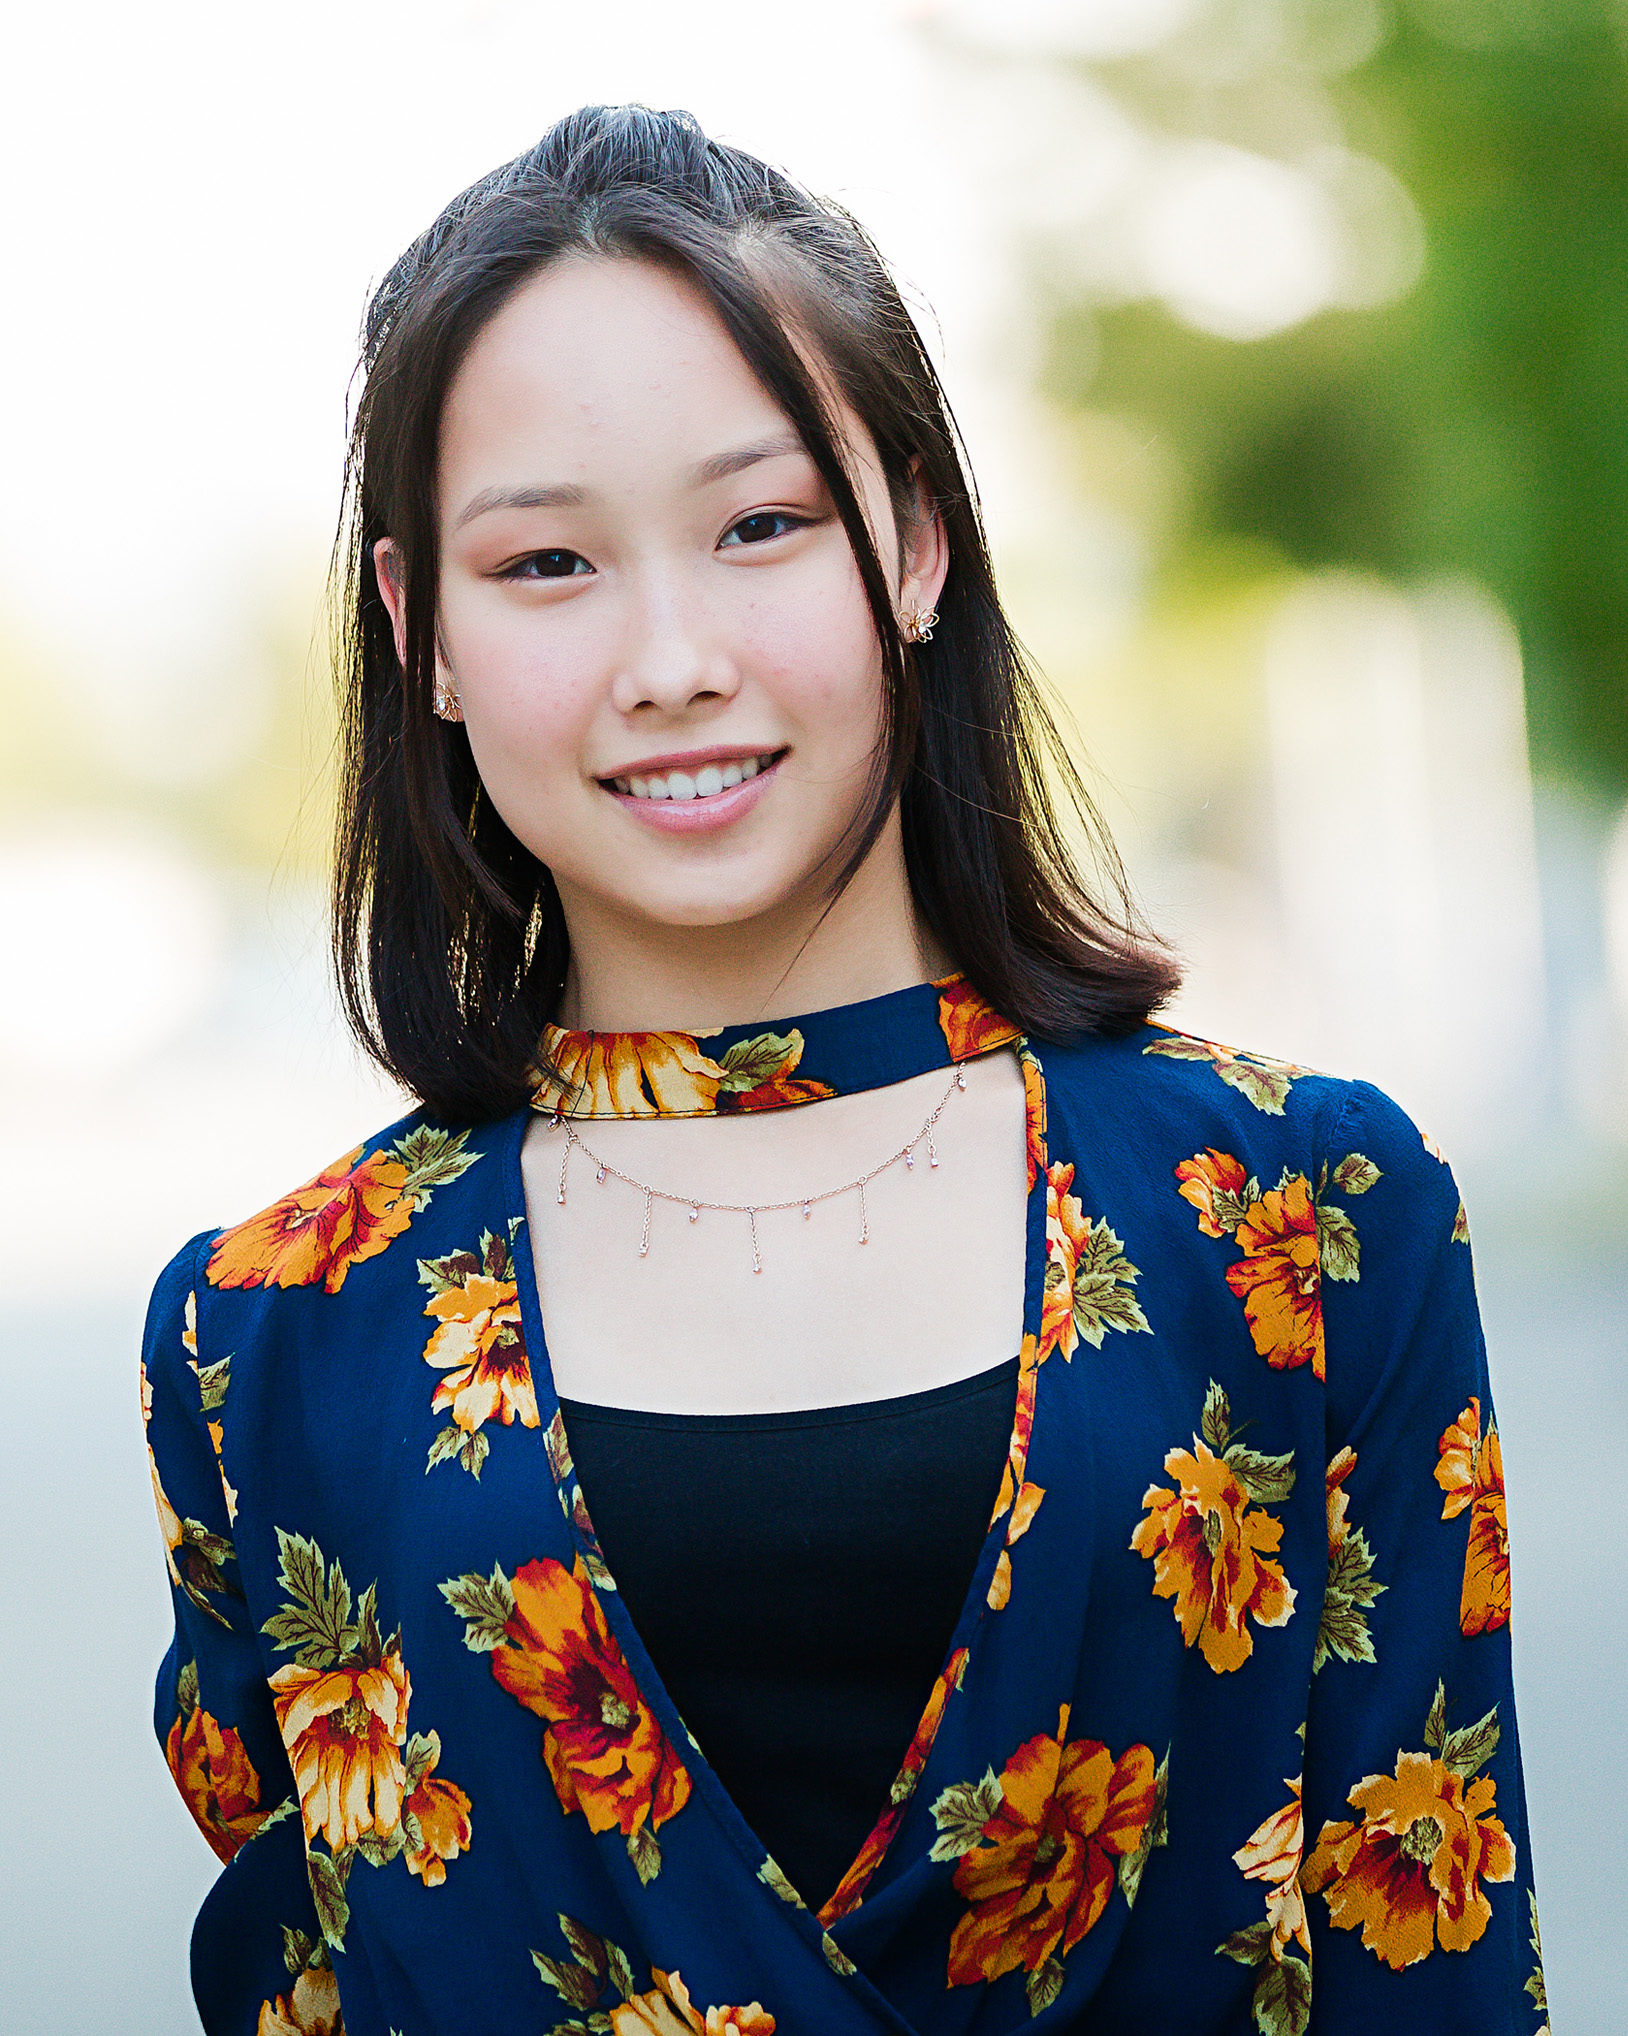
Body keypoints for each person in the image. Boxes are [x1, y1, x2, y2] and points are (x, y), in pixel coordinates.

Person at [142, 104, 1545, 2036]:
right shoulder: (267, 1331)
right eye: (546, 563)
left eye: (761, 525)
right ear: (423, 634)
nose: (671, 657)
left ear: (914, 547)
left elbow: (1437, 1953)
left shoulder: (1305, 1211)